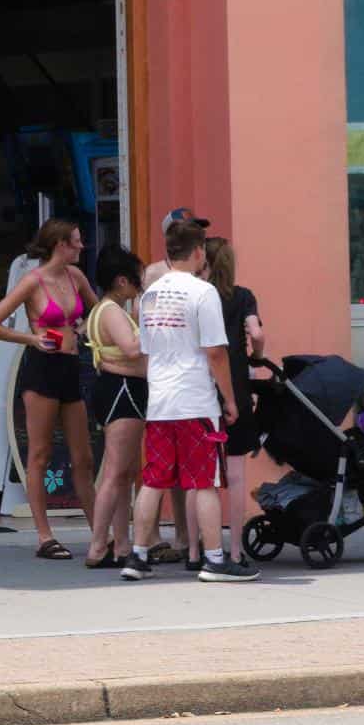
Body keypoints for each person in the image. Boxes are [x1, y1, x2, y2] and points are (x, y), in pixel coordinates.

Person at [120, 221, 258, 582]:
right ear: (198, 252)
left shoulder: (148, 295)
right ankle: (214, 560)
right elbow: (215, 352)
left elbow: (146, 351)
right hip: (195, 400)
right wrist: (229, 399)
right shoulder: (202, 292)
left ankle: (137, 556)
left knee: (154, 479)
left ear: (168, 252)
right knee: (204, 482)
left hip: (160, 400)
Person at [0, 218, 98, 560]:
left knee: (83, 457)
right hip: (42, 368)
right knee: (40, 453)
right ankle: (44, 536)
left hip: (70, 366)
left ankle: (98, 531)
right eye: (76, 241)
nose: (81, 246)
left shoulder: (76, 277)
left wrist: (85, 327)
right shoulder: (32, 281)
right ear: (60, 244)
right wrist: (30, 337)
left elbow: (98, 310)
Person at [140, 205, 211, 566]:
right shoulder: (157, 276)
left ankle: (182, 539)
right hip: (180, 385)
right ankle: (164, 540)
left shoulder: (197, 277)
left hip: (170, 384)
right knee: (174, 475)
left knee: (170, 474)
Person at [82, 244, 146, 569]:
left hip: (119, 389)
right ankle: (98, 545)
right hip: (123, 392)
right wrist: (156, 328)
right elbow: (132, 349)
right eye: (137, 280)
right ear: (122, 281)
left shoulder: (102, 310)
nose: (140, 287)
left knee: (124, 473)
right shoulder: (110, 311)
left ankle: (121, 543)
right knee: (115, 472)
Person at [205, 236, 266, 565]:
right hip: (237, 387)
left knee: (201, 476)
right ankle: (236, 550)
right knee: (237, 472)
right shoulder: (243, 297)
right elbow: (255, 334)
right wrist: (257, 357)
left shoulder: (200, 296)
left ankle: (196, 549)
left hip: (201, 387)